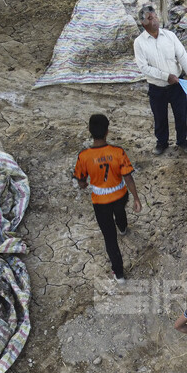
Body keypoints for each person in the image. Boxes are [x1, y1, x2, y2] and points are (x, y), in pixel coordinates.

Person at [73, 114, 142, 284]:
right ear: (107, 131)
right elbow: (128, 178)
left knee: (109, 238)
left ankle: (119, 274)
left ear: (89, 131)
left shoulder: (84, 156)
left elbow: (81, 181)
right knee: (120, 212)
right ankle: (124, 228)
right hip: (120, 195)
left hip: (100, 202)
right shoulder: (118, 152)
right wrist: (136, 198)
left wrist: (84, 184)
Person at [133, 5, 187, 156]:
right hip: (157, 88)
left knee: (181, 115)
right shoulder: (139, 43)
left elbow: (183, 57)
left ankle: (182, 141)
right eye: (150, 18)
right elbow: (144, 67)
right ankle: (161, 143)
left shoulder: (170, 36)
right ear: (143, 23)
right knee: (160, 117)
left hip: (177, 85)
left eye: (155, 16)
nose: (154, 20)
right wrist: (166, 77)